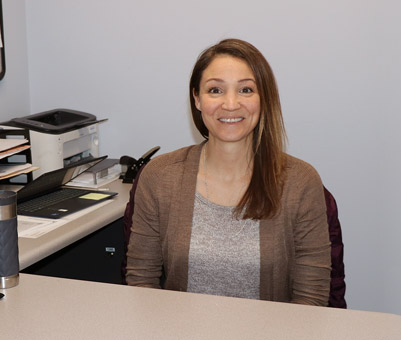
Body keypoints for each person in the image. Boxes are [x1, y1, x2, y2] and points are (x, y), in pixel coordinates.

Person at [125, 38, 331, 306]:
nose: (231, 104)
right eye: (215, 90)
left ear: (264, 99)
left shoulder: (300, 181)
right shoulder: (160, 177)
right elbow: (141, 284)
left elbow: (311, 298)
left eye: (246, 90)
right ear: (197, 99)